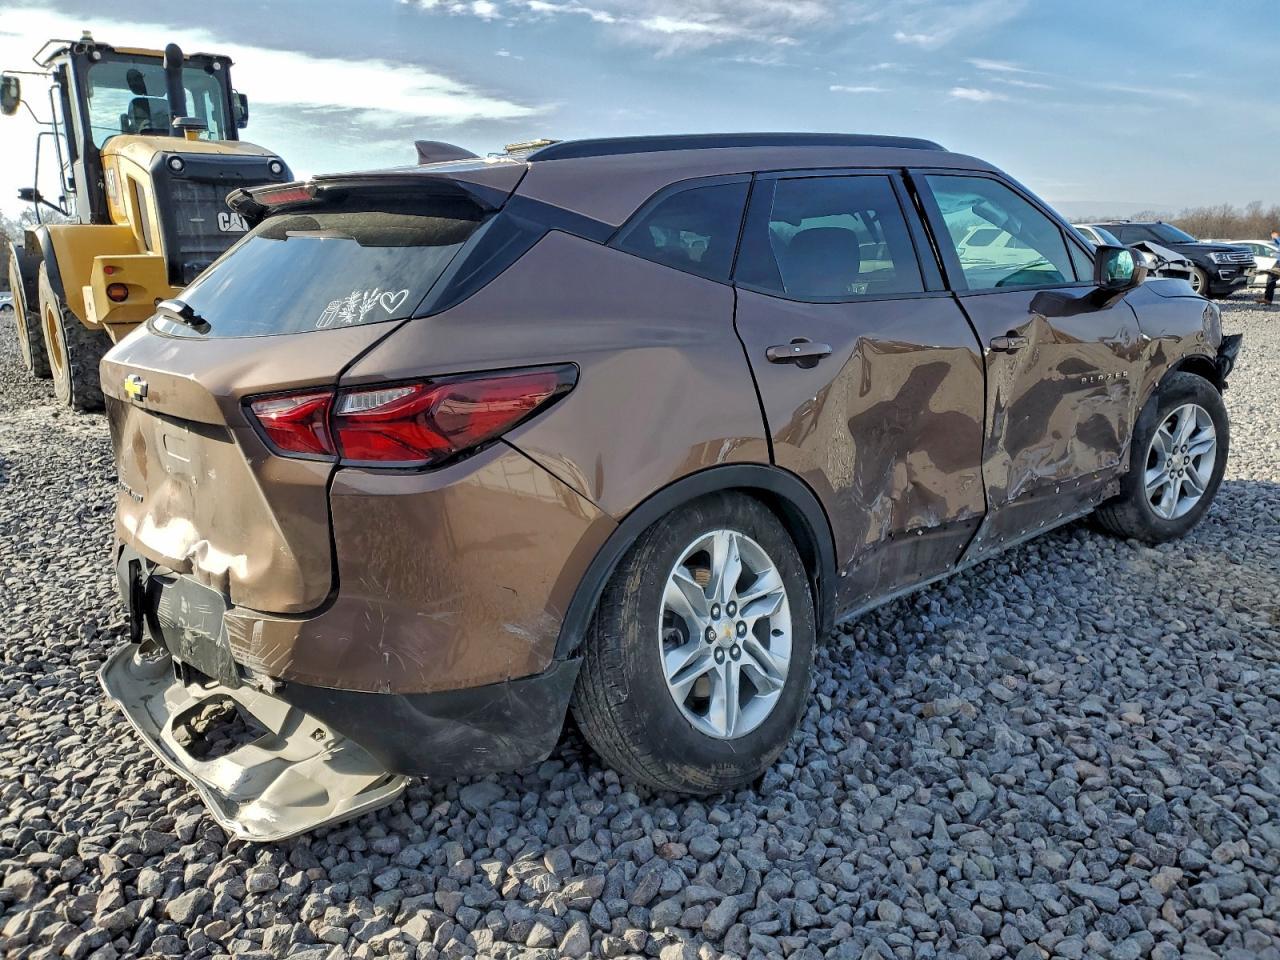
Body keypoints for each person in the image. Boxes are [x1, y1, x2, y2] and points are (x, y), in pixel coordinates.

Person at [1257, 229, 1280, 306]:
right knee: (1271, 279)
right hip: (1278, 262)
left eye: (1273, 234)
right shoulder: (1277, 240)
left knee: (1271, 279)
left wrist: (1276, 237)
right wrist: (1275, 238)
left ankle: (1268, 299)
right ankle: (1267, 299)